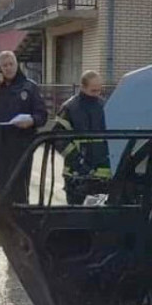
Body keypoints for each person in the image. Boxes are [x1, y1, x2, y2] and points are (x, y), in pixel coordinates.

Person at [0, 51, 48, 205]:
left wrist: (31, 120)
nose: (9, 68)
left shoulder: (29, 87)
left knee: (20, 190)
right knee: (3, 188)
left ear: (17, 65)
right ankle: (4, 217)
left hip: (21, 146)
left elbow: (42, 115)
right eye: (5, 65)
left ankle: (21, 217)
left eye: (11, 64)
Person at [53, 71, 111, 205]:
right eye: (93, 91)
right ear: (83, 87)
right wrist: (78, 161)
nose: (97, 94)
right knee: (76, 213)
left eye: (99, 90)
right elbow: (59, 138)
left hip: (102, 174)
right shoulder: (69, 108)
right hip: (76, 175)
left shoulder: (105, 106)